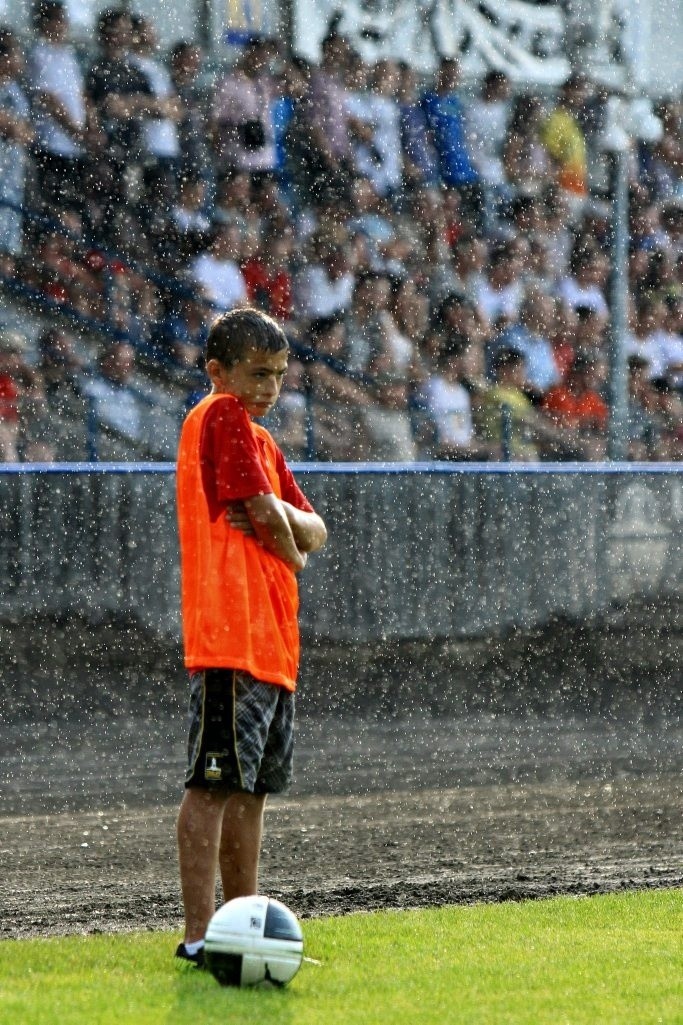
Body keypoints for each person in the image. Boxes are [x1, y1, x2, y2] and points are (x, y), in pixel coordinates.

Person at [174, 307, 327, 965]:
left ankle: (239, 926)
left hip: (269, 644)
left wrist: (290, 527)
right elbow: (277, 523)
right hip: (230, 636)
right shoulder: (222, 416)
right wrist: (291, 549)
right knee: (211, 785)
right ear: (218, 372)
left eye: (277, 375)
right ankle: (198, 933)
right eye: (256, 374)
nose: (267, 388)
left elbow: (313, 524)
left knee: (250, 791)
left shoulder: (263, 441)